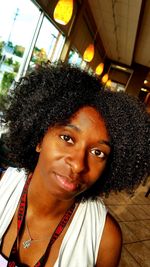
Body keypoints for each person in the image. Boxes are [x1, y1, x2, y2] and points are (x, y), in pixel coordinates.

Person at [0, 62, 149, 267]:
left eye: (98, 152)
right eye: (67, 138)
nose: (79, 165)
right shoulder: (2, 187)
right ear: (39, 138)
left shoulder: (105, 240)